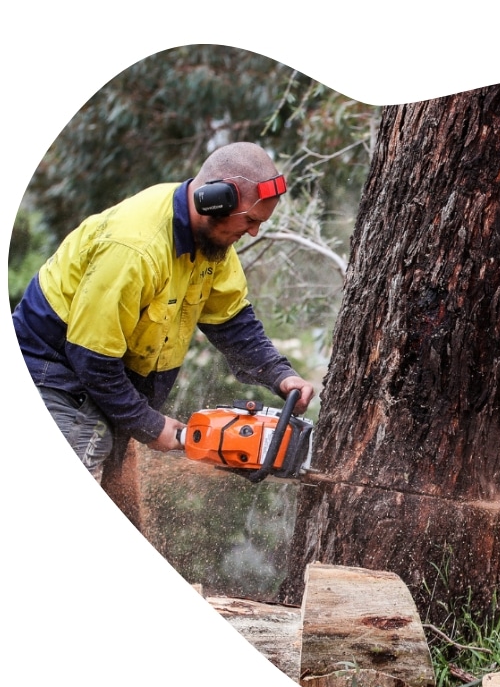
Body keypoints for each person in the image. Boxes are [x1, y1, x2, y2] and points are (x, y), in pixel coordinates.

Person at [12, 141, 316, 493]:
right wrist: (147, 423)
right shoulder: (135, 247)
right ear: (214, 200)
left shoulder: (213, 244)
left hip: (109, 383)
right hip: (55, 376)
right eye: (249, 219)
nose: (252, 232)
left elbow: (231, 322)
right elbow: (92, 357)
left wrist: (279, 374)